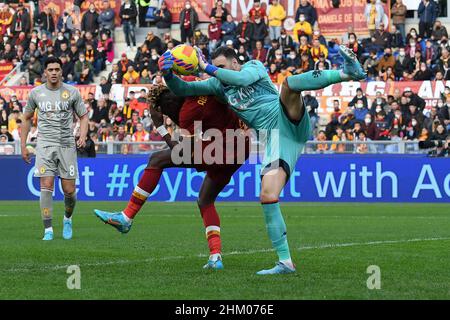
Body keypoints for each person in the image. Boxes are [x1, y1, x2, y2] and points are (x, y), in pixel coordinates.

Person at [159, 45, 366, 274]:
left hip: (286, 117)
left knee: (289, 85)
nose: (216, 71)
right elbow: (184, 88)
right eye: (214, 67)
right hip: (276, 141)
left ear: (235, 63)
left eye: (221, 66)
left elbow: (241, 79)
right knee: (268, 195)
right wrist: (168, 74)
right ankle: (285, 262)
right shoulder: (217, 85)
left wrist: (206, 67)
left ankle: (347, 73)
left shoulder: (253, 67)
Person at [94, 81, 250, 270]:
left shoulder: (187, 113)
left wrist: (160, 128)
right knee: (205, 200)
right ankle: (215, 257)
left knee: (156, 160)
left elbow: (181, 152)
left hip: (223, 148)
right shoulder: (197, 91)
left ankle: (126, 217)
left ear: (164, 108)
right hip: (241, 148)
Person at [20, 56, 88, 241]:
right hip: (45, 145)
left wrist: (82, 135)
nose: (54, 73)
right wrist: (23, 145)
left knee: (69, 191)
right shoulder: (36, 93)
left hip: (66, 145)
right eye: (50, 70)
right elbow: (26, 118)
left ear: (61, 71)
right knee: (46, 185)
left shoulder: (72, 92)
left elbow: (83, 116)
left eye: (57, 69)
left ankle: (67, 218)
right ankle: (48, 229)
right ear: (45, 72)